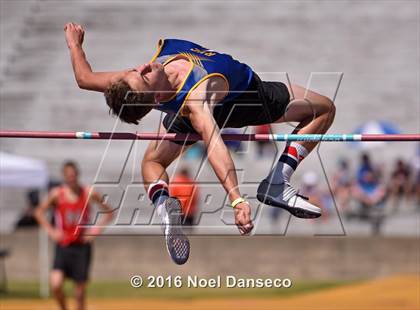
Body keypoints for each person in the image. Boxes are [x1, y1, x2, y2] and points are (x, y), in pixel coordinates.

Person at [63, 23, 335, 264]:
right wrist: (236, 199)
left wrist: (74, 44)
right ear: (155, 96)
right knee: (323, 109)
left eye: (136, 70)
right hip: (248, 98)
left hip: (183, 111)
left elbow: (84, 78)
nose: (142, 66)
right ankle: (277, 181)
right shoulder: (197, 99)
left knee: (153, 161)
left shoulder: (131, 84)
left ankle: (162, 204)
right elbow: (214, 144)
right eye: (144, 75)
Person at [34, 161, 113, 310]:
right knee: (56, 284)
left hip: (81, 246)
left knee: (79, 292)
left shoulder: (88, 192)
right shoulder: (57, 194)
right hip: (63, 245)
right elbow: (38, 212)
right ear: (64, 176)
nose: (71, 178)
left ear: (77, 174)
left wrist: (95, 231)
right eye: (68, 175)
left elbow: (109, 212)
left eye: (73, 175)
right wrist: (51, 231)